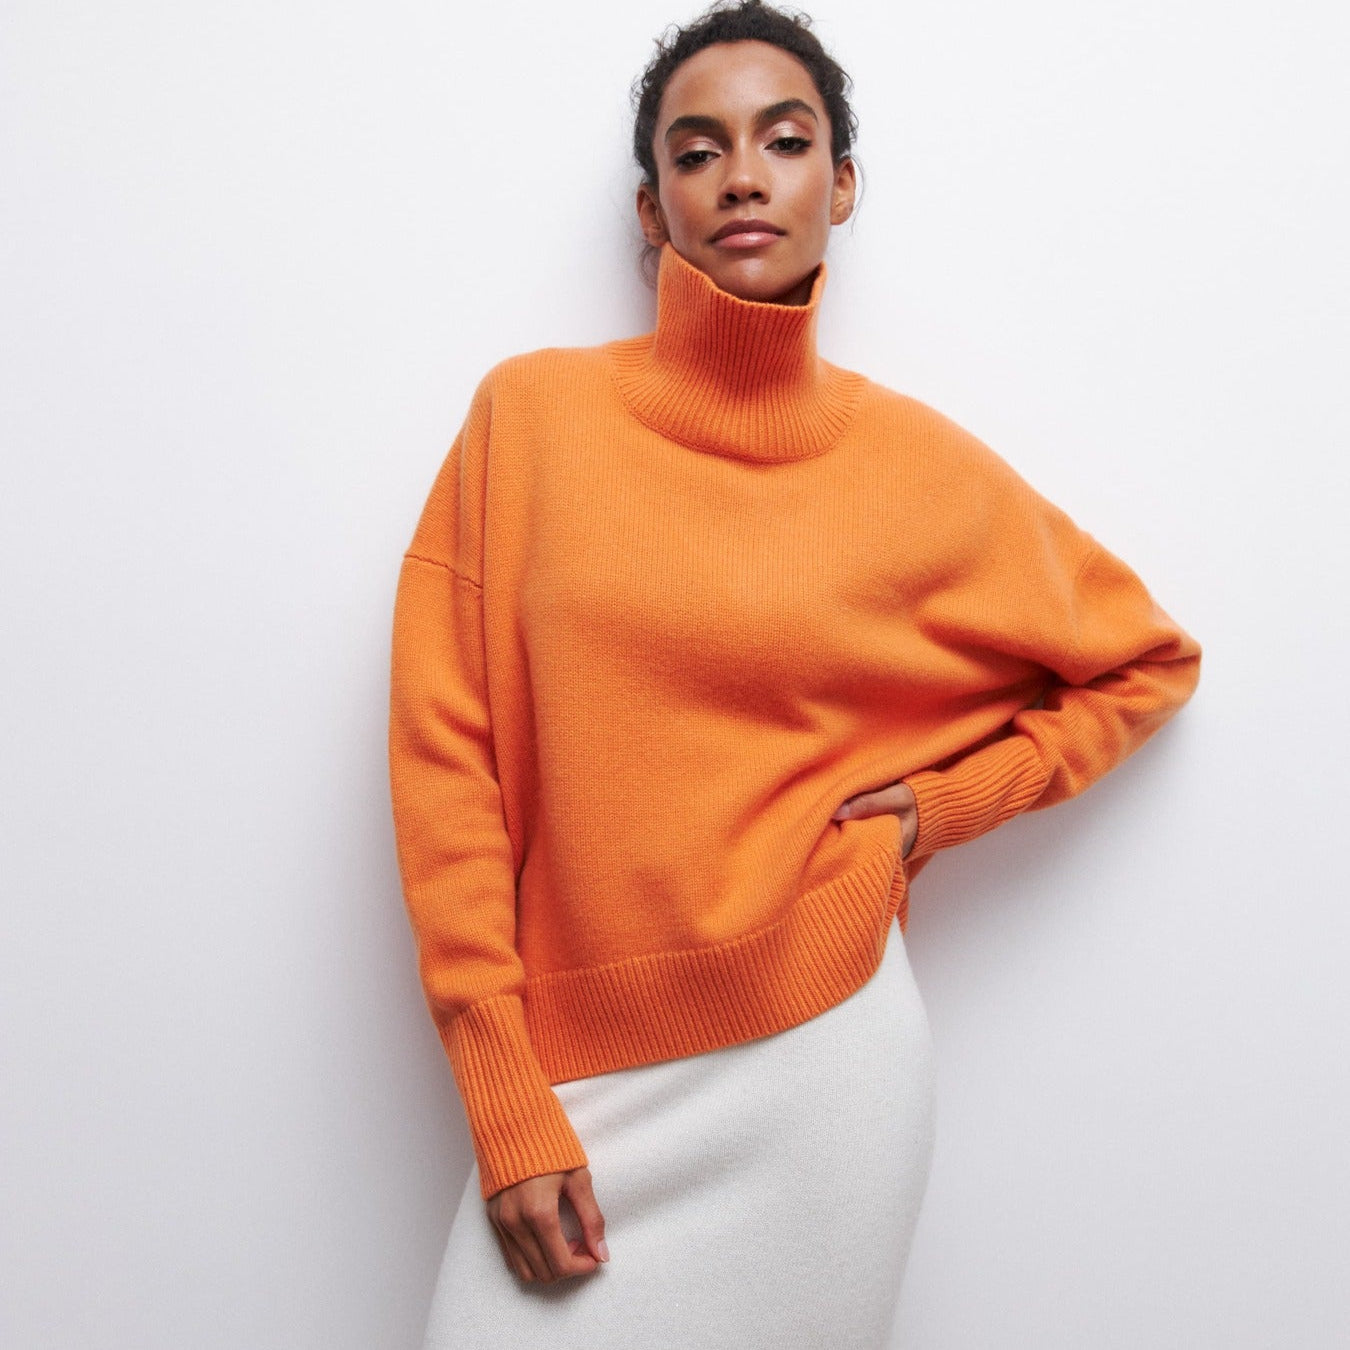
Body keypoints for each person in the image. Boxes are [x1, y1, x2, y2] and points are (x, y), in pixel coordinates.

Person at [387, 1, 1202, 1344]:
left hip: (818, 1069)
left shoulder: (912, 469)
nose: (743, 178)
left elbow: (1144, 659)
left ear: (842, 184)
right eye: (697, 151)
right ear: (650, 208)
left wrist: (942, 807)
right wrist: (502, 1088)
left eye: (784, 139)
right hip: (569, 1073)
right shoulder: (529, 418)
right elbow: (446, 763)